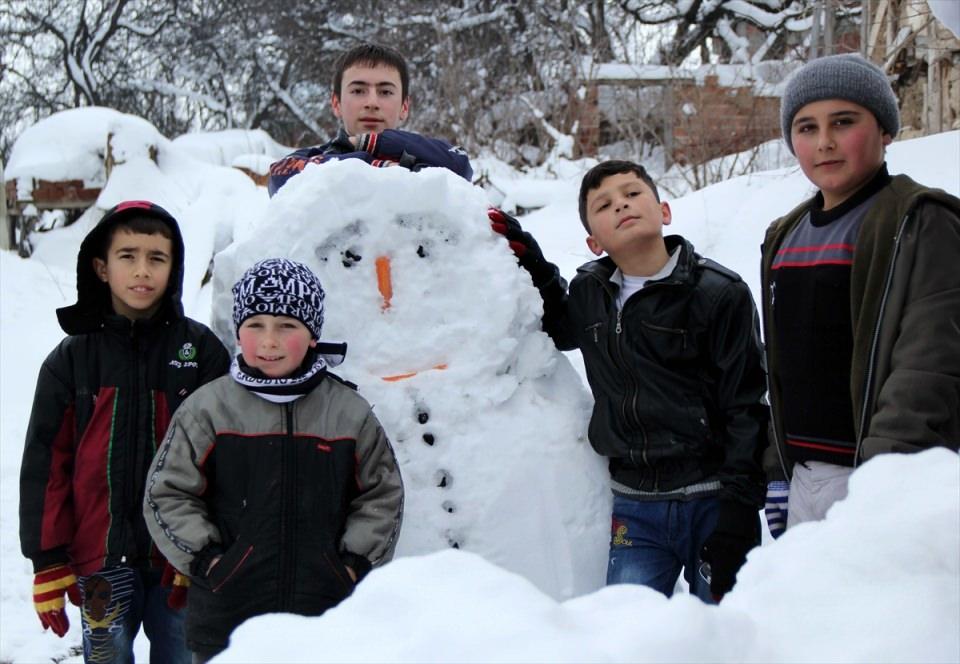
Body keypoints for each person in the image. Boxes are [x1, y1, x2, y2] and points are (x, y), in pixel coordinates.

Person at [493, 161, 767, 602]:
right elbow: (560, 328)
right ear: (594, 242)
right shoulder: (590, 292)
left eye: (632, 193)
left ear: (664, 211)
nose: (621, 204)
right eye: (603, 205)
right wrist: (531, 259)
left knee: (724, 625)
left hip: (712, 496)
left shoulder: (718, 292)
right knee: (625, 629)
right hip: (635, 505)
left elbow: (747, 406)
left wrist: (739, 508)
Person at [142, 258, 404, 662]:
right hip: (227, 621)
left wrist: (351, 565)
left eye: (286, 326)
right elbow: (167, 492)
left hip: (326, 619)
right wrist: (210, 561)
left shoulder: (348, 414)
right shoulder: (208, 409)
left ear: (312, 335)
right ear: (238, 332)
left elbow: (381, 495)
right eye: (256, 325)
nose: (269, 341)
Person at [19, 200, 230, 663]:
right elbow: (45, 465)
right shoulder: (71, 360)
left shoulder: (200, 352)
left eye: (157, 258)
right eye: (127, 256)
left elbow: (225, 460)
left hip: (180, 561)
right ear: (101, 267)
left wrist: (206, 546)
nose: (142, 271)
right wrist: (47, 559)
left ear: (174, 267)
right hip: (100, 561)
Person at [760, 53, 960, 538]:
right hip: (804, 478)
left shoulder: (921, 220)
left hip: (881, 479)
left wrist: (881, 481)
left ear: (885, 130)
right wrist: (777, 470)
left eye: (843, 122)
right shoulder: (784, 234)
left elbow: (929, 363)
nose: (824, 142)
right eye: (806, 127)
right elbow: (782, 367)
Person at [268, 43, 472, 195]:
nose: (372, 102)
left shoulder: (426, 160)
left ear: (404, 107)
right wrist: (376, 167)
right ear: (336, 103)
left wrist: (380, 143)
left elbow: (461, 164)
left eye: (385, 92)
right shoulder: (314, 159)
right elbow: (279, 176)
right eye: (358, 91)